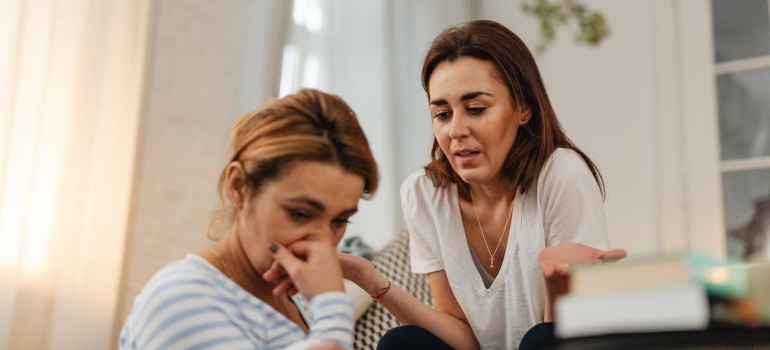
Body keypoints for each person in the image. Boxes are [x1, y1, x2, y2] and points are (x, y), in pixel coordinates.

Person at [339, 20, 626, 350]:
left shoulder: (561, 175)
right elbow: (462, 338)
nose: (455, 130)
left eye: (475, 109)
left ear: (523, 108)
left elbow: (573, 338)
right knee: (402, 342)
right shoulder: (424, 194)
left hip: (555, 342)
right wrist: (372, 281)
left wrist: (555, 284)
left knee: (542, 339)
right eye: (442, 114)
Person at [119, 88, 379, 350]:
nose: (323, 243)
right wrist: (332, 309)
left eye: (339, 220)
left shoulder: (294, 299)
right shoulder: (179, 300)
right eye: (300, 214)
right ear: (239, 186)